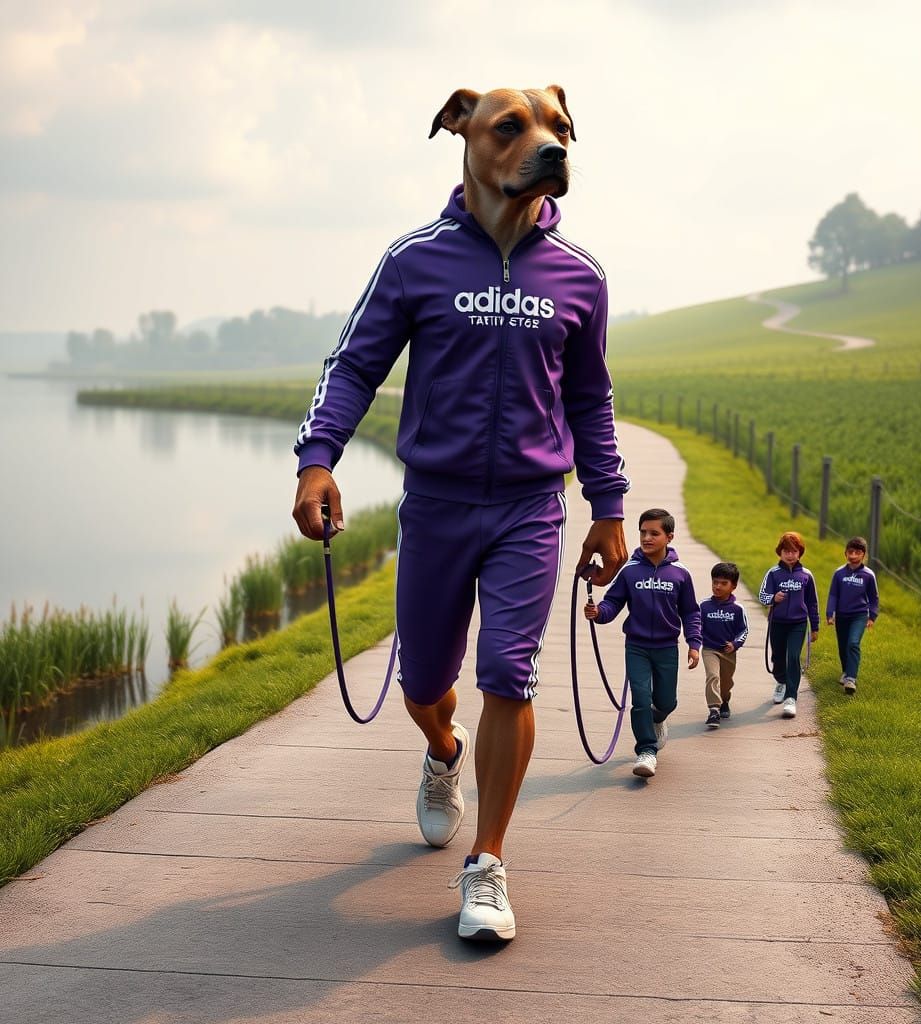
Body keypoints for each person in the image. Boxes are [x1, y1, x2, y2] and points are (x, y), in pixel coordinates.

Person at [291, 85, 629, 943]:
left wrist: (609, 504)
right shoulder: (415, 260)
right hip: (436, 507)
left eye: (557, 130)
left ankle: (487, 865)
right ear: (462, 134)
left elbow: (591, 399)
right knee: (424, 685)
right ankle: (444, 751)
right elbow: (353, 366)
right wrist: (318, 460)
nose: (544, 143)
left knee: (510, 675)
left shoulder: (579, 275)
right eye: (514, 129)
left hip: (530, 512)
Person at [584, 508, 700, 777]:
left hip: (667, 647)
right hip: (636, 646)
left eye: (654, 533)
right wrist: (599, 612)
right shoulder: (630, 572)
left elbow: (691, 611)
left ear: (669, 537)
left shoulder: (680, 574)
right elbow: (613, 602)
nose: (646, 538)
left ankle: (658, 719)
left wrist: (694, 643)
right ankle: (646, 751)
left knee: (666, 701)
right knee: (640, 699)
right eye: (643, 532)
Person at [758, 531, 818, 719]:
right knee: (778, 658)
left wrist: (815, 627)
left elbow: (812, 602)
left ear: (800, 552)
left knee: (792, 657)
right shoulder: (773, 574)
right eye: (786, 551)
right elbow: (762, 596)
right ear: (780, 552)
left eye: (794, 551)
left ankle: (791, 698)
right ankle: (781, 682)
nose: (790, 555)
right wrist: (773, 598)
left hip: (798, 624)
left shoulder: (806, 575)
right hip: (777, 623)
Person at [825, 536, 879, 694]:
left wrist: (872, 616)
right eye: (850, 552)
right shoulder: (839, 574)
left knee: (853, 643)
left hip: (859, 615)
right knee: (843, 646)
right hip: (842, 615)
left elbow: (874, 598)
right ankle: (846, 671)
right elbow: (833, 594)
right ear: (845, 554)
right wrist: (830, 613)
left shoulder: (868, 575)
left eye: (857, 552)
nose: (853, 555)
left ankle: (851, 679)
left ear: (863, 554)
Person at [699, 562, 749, 729]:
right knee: (713, 676)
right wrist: (695, 641)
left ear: (733, 586)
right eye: (715, 582)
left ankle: (724, 700)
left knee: (726, 683)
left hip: (728, 651)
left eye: (723, 583)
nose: (718, 586)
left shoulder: (737, 609)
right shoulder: (704, 606)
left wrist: (735, 644)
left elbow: (743, 630)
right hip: (709, 649)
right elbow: (696, 626)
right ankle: (714, 710)